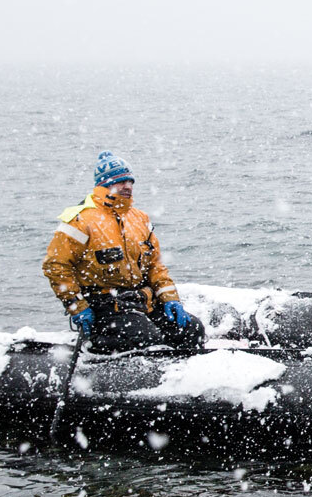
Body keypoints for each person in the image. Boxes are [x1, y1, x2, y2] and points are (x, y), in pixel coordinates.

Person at [42, 151, 205, 353]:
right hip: (105, 309)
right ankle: (98, 346)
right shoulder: (80, 220)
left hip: (142, 304)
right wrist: (77, 306)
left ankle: (182, 373)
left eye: (130, 181)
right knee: (146, 339)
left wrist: (170, 298)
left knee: (192, 330)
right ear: (103, 184)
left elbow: (155, 265)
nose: (127, 186)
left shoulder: (139, 218)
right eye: (120, 181)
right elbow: (56, 266)